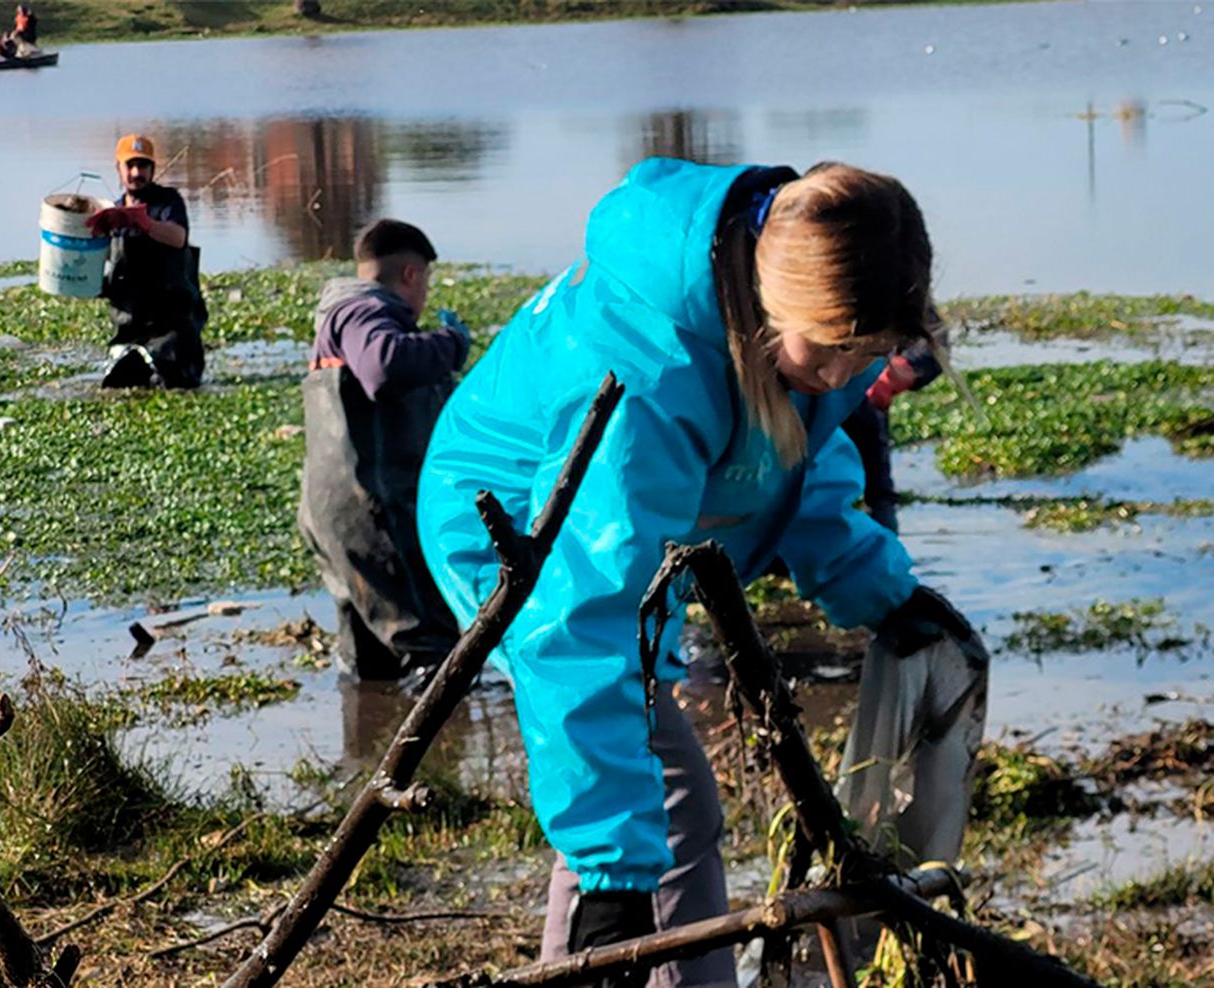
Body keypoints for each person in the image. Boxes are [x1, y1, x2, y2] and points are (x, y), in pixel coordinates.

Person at [417, 158, 981, 986]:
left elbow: (789, 464)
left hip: (634, 535)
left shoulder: (811, 324)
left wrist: (884, 591)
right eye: (826, 352)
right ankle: (605, 947)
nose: (836, 376)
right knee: (664, 806)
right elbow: (581, 617)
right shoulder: (645, 378)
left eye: (861, 356)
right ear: (769, 304)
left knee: (668, 800)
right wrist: (612, 871)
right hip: (511, 529)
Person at [298, 219, 470, 685]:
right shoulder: (364, 311)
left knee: (371, 671)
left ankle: (368, 752)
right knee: (434, 657)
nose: (424, 298)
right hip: (372, 512)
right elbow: (382, 367)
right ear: (411, 275)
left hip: (333, 515)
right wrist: (450, 345)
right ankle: (438, 751)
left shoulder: (337, 314)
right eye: (426, 283)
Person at [87, 134, 207, 389]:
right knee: (116, 384)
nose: (136, 172)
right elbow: (103, 273)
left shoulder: (169, 202)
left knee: (176, 383)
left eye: (142, 166)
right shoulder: (111, 213)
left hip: (173, 323)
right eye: (129, 166)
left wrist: (146, 225)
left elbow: (178, 237)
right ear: (118, 169)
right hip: (129, 325)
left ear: (153, 169)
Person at [842, 336, 943, 532]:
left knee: (879, 516)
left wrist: (903, 368)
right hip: (787, 448)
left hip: (865, 435)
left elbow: (931, 338)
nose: (833, 376)